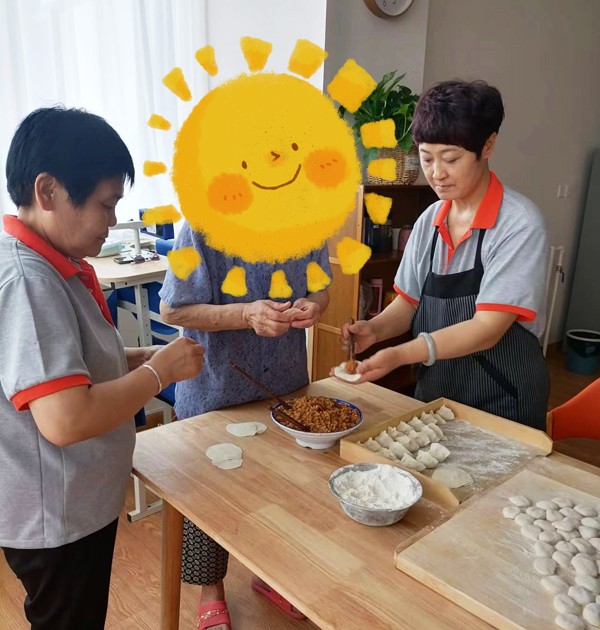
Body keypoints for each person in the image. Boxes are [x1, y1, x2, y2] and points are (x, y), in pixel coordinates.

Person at [0, 107, 205, 630]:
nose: (113, 221)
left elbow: (65, 369)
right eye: (105, 204)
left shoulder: (47, 262)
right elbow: (65, 418)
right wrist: (158, 375)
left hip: (67, 505)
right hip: (57, 517)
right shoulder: (30, 281)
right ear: (48, 191)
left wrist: (135, 360)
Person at [340, 80, 549, 429]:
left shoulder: (518, 224)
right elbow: (408, 304)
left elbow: (487, 329)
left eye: (451, 159)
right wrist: (374, 329)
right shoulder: (429, 221)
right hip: (436, 396)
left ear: (487, 145)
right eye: (426, 158)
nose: (437, 173)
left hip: (502, 402)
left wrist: (401, 354)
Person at [159, 223, 330, 630]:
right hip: (215, 388)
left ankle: (270, 574)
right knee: (207, 494)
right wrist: (245, 313)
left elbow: (322, 287)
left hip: (285, 385)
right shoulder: (202, 225)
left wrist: (314, 305)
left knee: (281, 488)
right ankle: (211, 591)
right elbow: (173, 309)